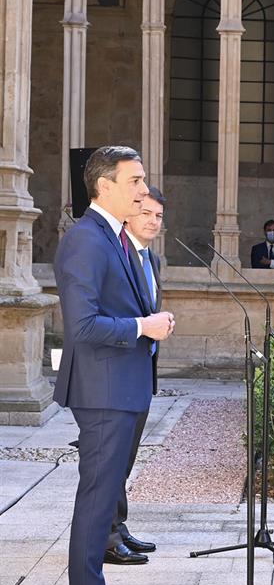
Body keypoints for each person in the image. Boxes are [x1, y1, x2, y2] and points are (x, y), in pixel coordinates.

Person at [55, 145, 175, 585]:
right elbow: (82, 326)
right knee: (97, 503)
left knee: (102, 503)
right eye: (135, 181)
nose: (144, 191)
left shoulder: (112, 237)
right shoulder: (86, 239)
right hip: (103, 390)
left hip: (120, 388)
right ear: (104, 186)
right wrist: (143, 326)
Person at [105, 184, 166, 565]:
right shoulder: (116, 254)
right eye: (146, 213)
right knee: (110, 459)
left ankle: (118, 526)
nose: (153, 221)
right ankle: (107, 537)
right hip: (114, 377)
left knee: (126, 458)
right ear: (128, 213)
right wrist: (146, 326)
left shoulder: (152, 260)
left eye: (159, 216)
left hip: (141, 373)